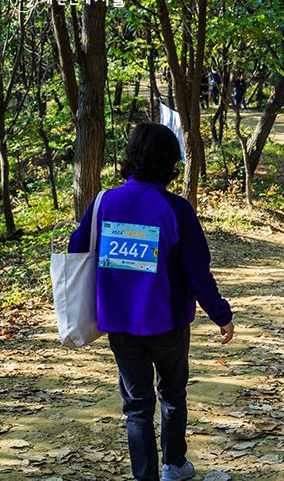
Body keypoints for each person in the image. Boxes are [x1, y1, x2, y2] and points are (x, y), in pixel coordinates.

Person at [69, 123, 235, 481]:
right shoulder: (176, 209)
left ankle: (144, 476)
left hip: (119, 323)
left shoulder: (104, 202)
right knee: (172, 394)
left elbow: (76, 248)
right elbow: (196, 272)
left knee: (137, 407)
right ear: (171, 163)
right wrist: (221, 314)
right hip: (168, 323)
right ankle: (174, 466)